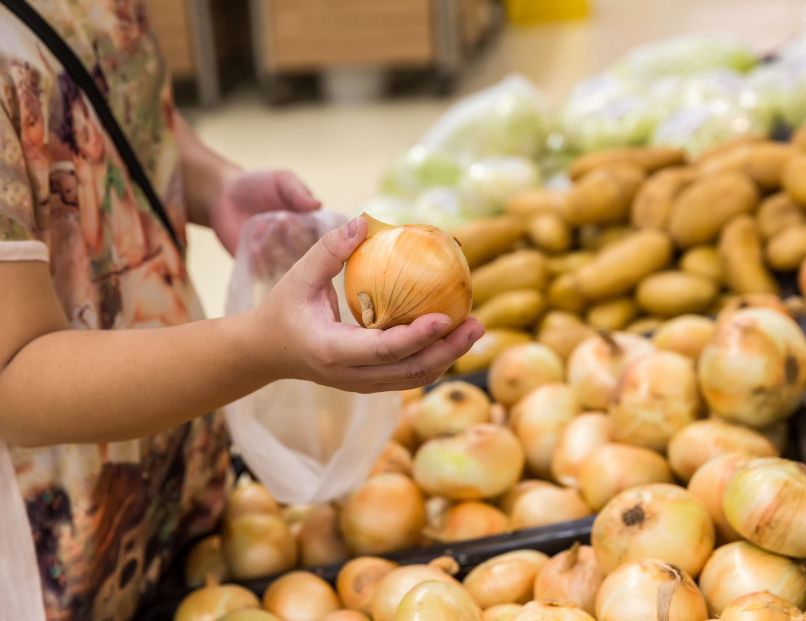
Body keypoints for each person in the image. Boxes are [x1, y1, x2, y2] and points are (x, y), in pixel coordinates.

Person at [0, 1, 483, 619]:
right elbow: (12, 377)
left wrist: (213, 183)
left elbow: (101, 95)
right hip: (67, 544)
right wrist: (261, 347)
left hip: (175, 472)